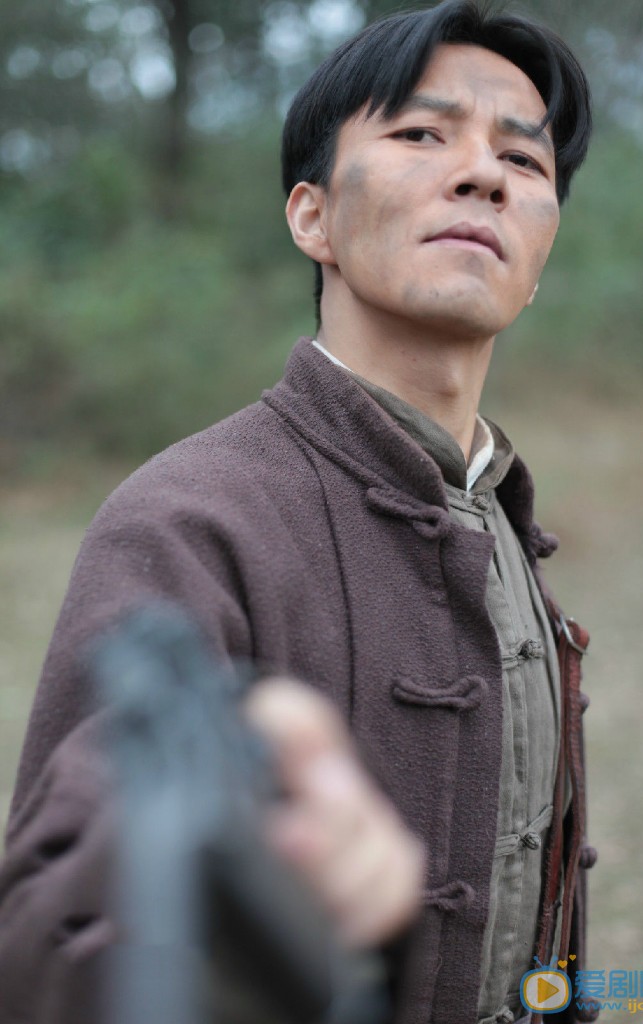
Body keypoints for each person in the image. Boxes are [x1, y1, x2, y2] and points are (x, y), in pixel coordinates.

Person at [0, 2, 599, 1022]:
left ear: (538, 259)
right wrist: (213, 904)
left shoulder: (499, 512)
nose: (483, 175)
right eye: (422, 134)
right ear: (310, 217)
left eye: (522, 159)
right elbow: (51, 944)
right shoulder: (188, 518)